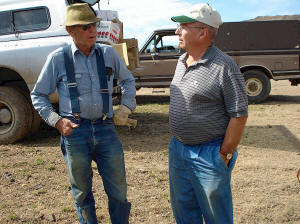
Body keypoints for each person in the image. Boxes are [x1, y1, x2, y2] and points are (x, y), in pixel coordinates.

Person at [31, 3, 136, 224]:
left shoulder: (108, 53)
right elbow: (38, 94)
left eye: (95, 26)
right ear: (71, 30)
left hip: (106, 129)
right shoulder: (58, 58)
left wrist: (126, 107)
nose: (93, 31)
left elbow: (128, 80)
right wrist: (58, 122)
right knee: (82, 193)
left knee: (118, 191)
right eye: (86, 26)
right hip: (75, 133)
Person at [168, 3, 248, 224]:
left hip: (209, 154)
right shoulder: (181, 61)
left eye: (183, 26)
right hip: (178, 150)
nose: (177, 31)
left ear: (203, 32)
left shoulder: (224, 66)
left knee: (216, 217)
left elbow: (239, 114)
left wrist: (224, 154)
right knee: (184, 213)